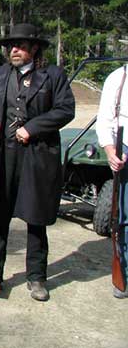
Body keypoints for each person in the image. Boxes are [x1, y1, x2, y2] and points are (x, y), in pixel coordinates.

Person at [0, 23, 75, 301]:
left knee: (35, 218)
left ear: (35, 48)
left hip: (38, 154)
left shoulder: (53, 75)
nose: (14, 50)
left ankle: (36, 277)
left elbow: (65, 109)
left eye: (20, 45)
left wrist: (33, 128)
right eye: (11, 46)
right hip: (2, 155)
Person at [96, 63, 128, 299]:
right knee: (124, 216)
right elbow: (106, 119)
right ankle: (124, 274)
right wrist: (110, 151)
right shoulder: (118, 79)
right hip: (125, 149)